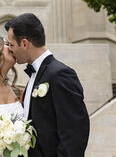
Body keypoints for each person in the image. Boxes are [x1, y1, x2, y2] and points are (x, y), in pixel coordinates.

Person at [5, 13, 90, 156]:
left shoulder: (60, 74)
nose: (10, 49)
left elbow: (75, 134)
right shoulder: (35, 74)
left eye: (11, 45)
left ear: (25, 43)